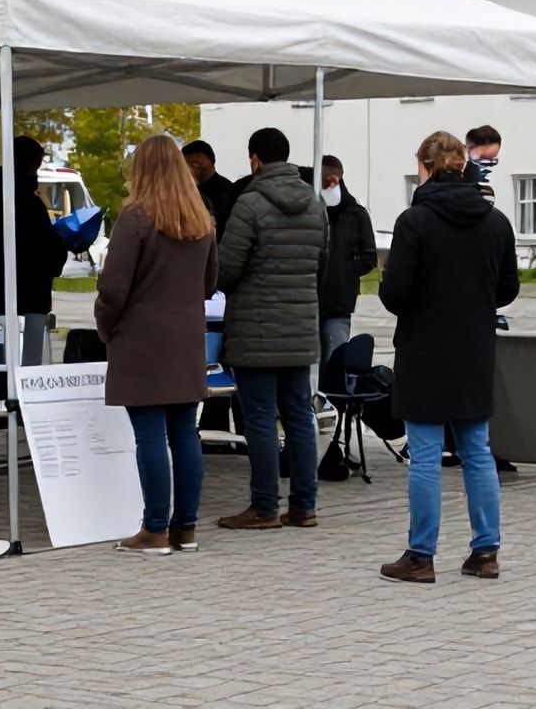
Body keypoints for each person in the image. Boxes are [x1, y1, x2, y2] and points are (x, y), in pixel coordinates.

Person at [378, 132, 520, 583]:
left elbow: (395, 293)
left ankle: (421, 554)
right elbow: (508, 289)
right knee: (476, 450)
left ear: (425, 165)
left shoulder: (415, 220)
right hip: (474, 345)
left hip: (424, 346)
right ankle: (486, 551)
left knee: (424, 454)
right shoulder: (495, 221)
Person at [96, 134, 220, 555]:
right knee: (186, 433)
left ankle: (154, 529)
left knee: (149, 434)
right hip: (187, 337)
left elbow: (113, 287)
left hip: (142, 338)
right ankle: (184, 527)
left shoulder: (135, 217)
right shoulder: (202, 220)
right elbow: (209, 283)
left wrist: (105, 325)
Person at [215, 127, 326, 531]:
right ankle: (304, 506)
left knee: (259, 418)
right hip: (300, 327)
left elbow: (226, 271)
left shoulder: (249, 204)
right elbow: (321, 264)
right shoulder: (316, 205)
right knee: (299, 415)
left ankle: (264, 506)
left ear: (254, 159)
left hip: (256, 330)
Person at [0, 135, 68, 365]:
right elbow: (47, 253)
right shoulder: (28, 204)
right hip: (30, 298)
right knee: (28, 372)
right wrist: (62, 242)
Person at [318, 155, 378, 372]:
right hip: (312, 302)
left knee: (335, 360)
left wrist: (345, 273)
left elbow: (369, 257)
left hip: (338, 302)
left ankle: (334, 401)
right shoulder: (314, 209)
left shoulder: (355, 214)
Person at [182, 139, 235, 238]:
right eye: (187, 164)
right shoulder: (181, 189)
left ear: (212, 161)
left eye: (197, 163)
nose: (193, 168)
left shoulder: (227, 190)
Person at [465, 125, 502, 203]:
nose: (487, 166)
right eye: (482, 158)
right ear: (468, 149)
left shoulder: (486, 193)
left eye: (491, 160)